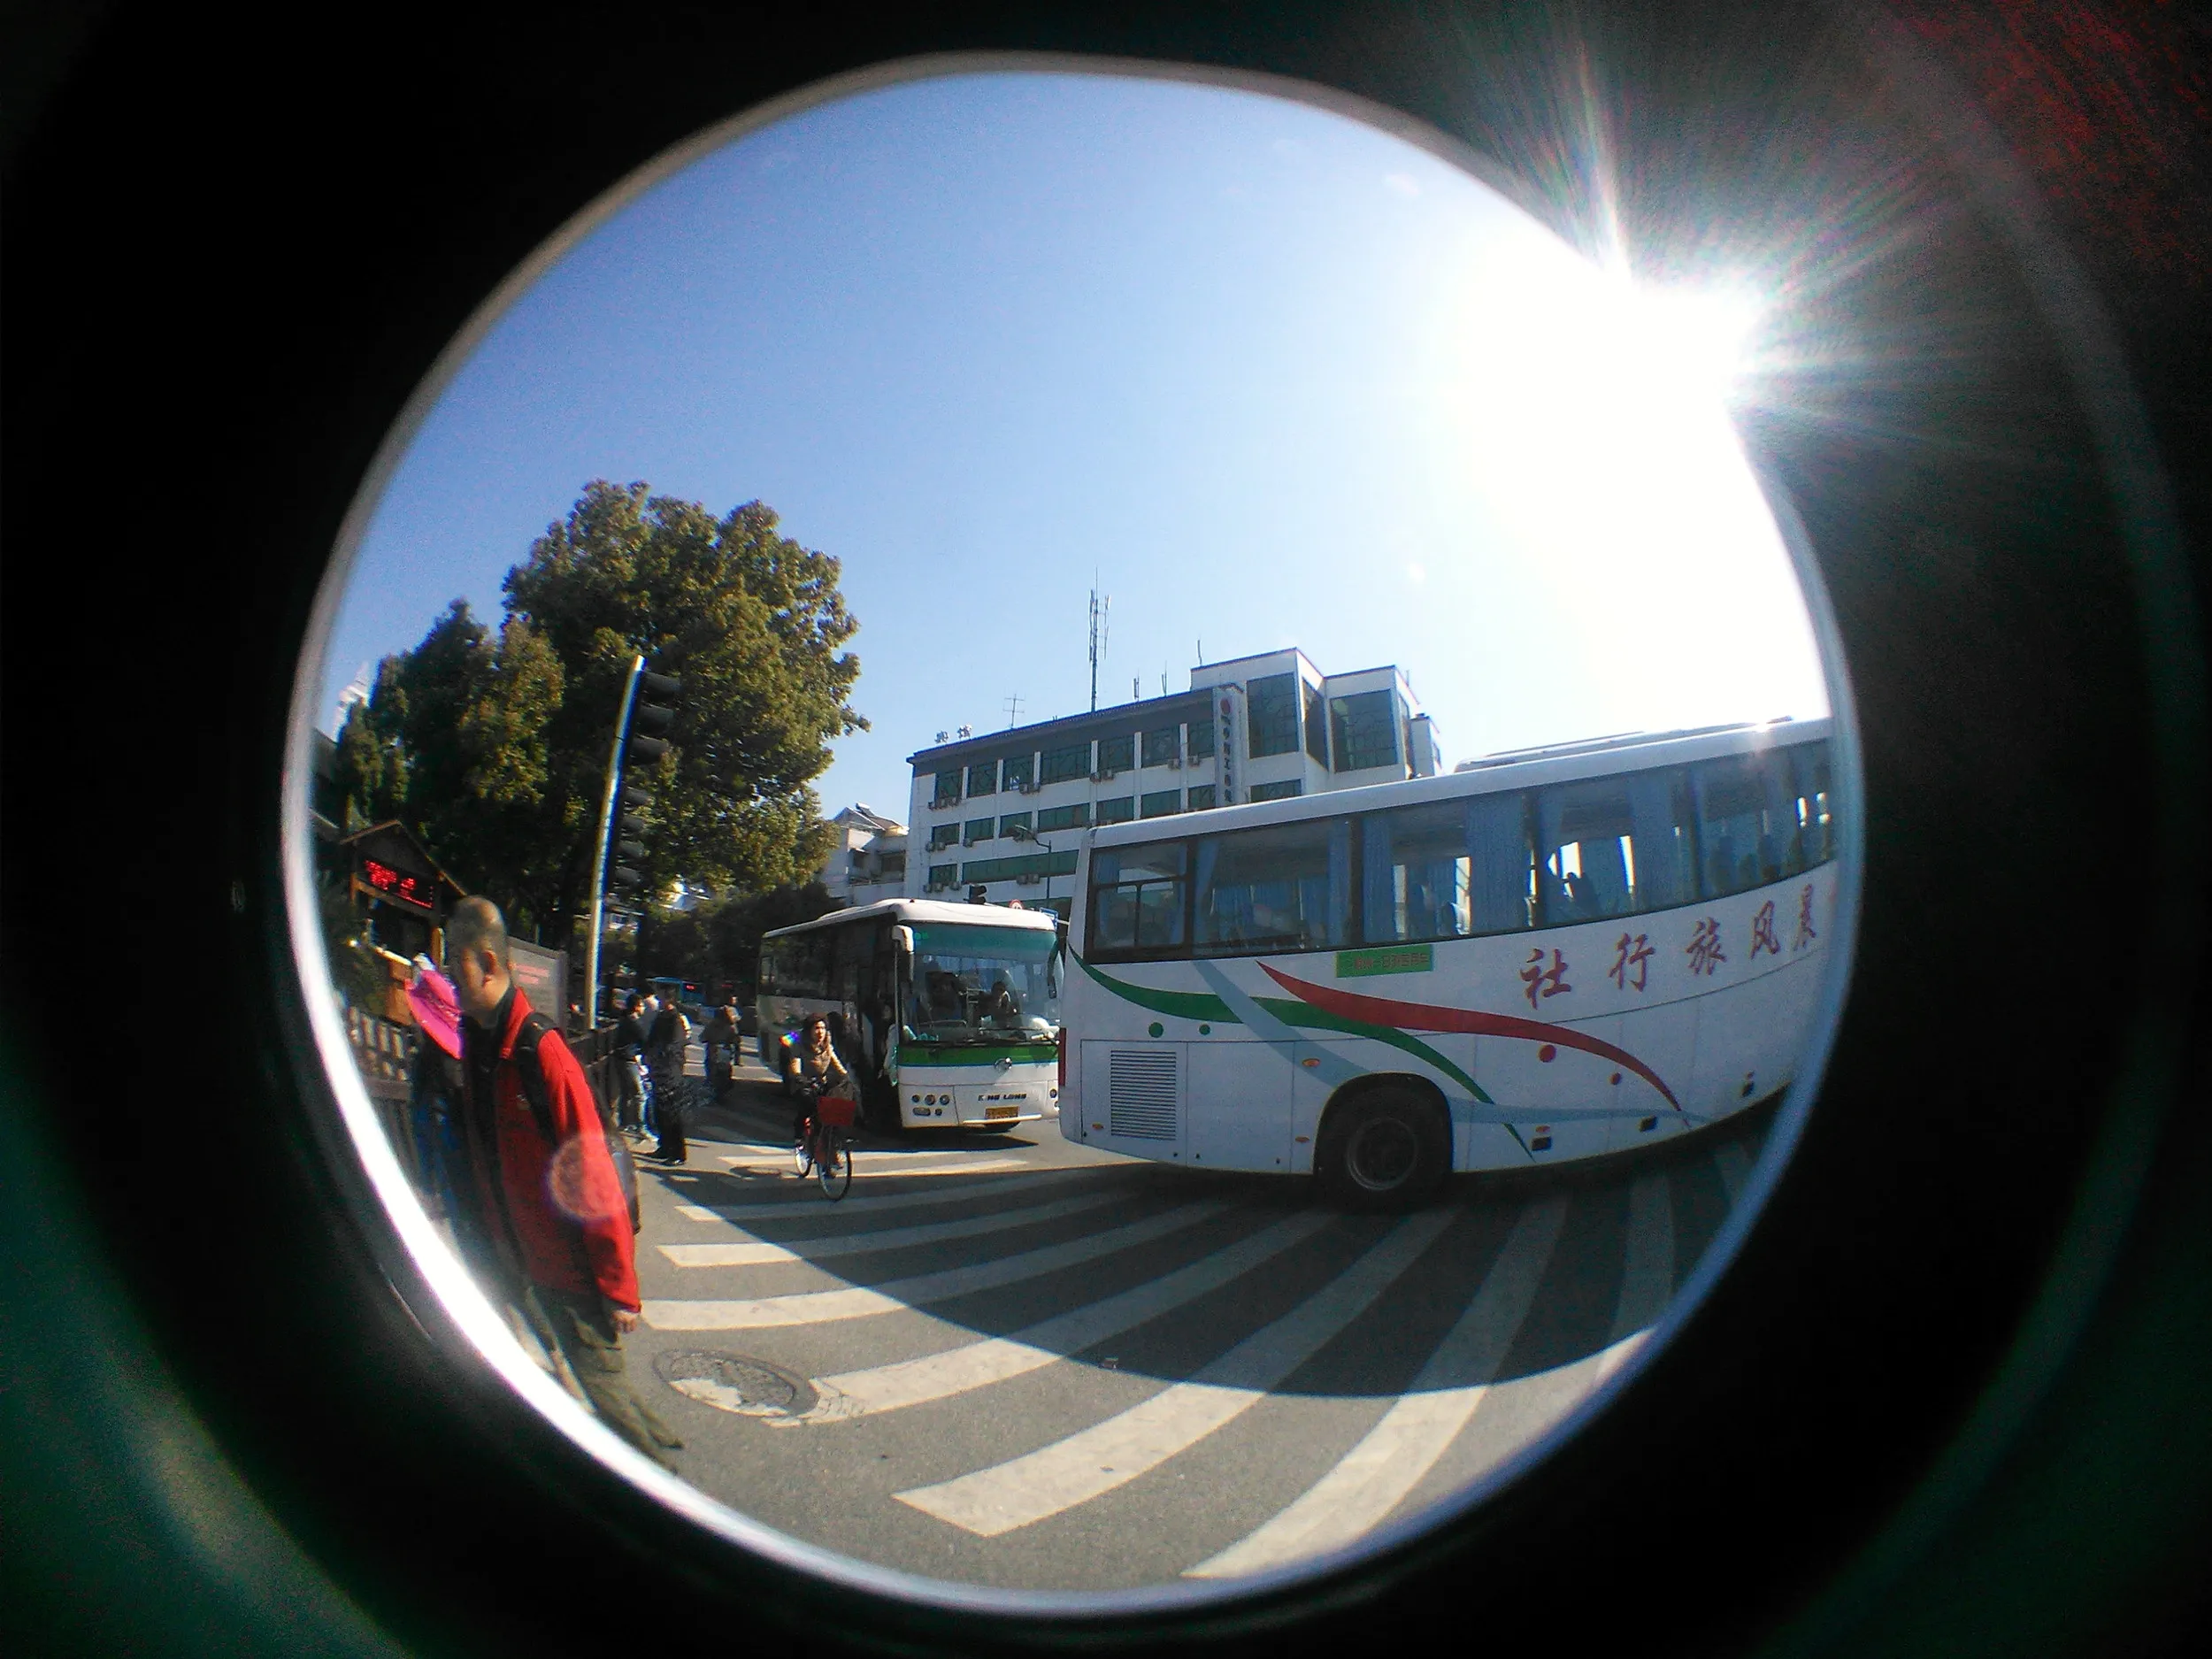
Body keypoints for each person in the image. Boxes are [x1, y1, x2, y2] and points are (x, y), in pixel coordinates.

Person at [442, 896, 681, 1470]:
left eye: (455, 965)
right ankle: (655, 1440)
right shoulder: (477, 1039)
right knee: (588, 1374)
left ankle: (660, 1482)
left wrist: (618, 1286)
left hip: (568, 1267)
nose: (449, 977)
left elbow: (596, 1176)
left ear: (487, 963)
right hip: (519, 1253)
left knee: (604, 1387)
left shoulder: (539, 1052)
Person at [403, 956, 467, 1226]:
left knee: (446, 1181)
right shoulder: (432, 1048)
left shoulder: (446, 1057)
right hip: (429, 1114)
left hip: (439, 1117)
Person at [785, 1012, 849, 1147]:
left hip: (821, 1083)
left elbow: (837, 1065)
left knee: (838, 1103)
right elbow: (795, 1065)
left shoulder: (828, 1046)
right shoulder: (799, 1045)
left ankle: (836, 1137)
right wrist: (798, 1077)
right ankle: (799, 1135)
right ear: (809, 1031)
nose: (820, 1032)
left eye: (823, 1028)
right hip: (804, 1084)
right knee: (807, 1105)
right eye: (816, 1028)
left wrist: (846, 1076)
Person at [643, 994, 690, 1164]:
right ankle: (664, 1147)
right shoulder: (661, 1017)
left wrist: (657, 1055)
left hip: (670, 1072)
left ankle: (678, 1153)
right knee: (660, 1111)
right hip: (659, 1070)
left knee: (671, 1112)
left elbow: (674, 1046)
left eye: (662, 999)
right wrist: (648, 1054)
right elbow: (650, 1040)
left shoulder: (675, 1020)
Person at [612, 992, 647, 1135]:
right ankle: (641, 1127)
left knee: (626, 1093)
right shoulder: (634, 1022)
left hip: (620, 1058)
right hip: (629, 1059)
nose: (644, 1008)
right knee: (639, 1095)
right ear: (636, 1007)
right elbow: (645, 1040)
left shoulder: (624, 1019)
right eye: (642, 1005)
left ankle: (624, 1123)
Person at [700, 1002, 740, 1100]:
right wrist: (737, 1059)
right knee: (725, 1068)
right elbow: (736, 1042)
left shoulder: (711, 1026)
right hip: (725, 1050)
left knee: (710, 1066)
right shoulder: (731, 1027)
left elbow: (702, 1038)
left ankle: (711, 1083)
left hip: (714, 1049)